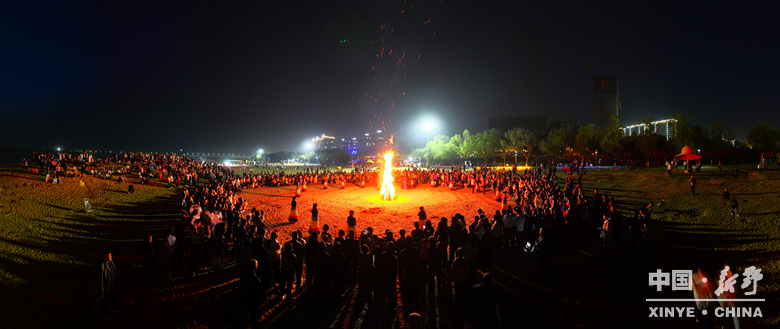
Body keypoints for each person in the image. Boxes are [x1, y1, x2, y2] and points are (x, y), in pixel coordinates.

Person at [100, 251, 121, 318]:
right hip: (107, 287)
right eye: (108, 256)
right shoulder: (102, 266)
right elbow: (101, 279)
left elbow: (114, 270)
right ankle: (105, 313)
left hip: (112, 284)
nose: (109, 257)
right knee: (105, 301)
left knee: (113, 297)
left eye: (110, 256)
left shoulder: (111, 262)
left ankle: (114, 307)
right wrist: (102, 290)